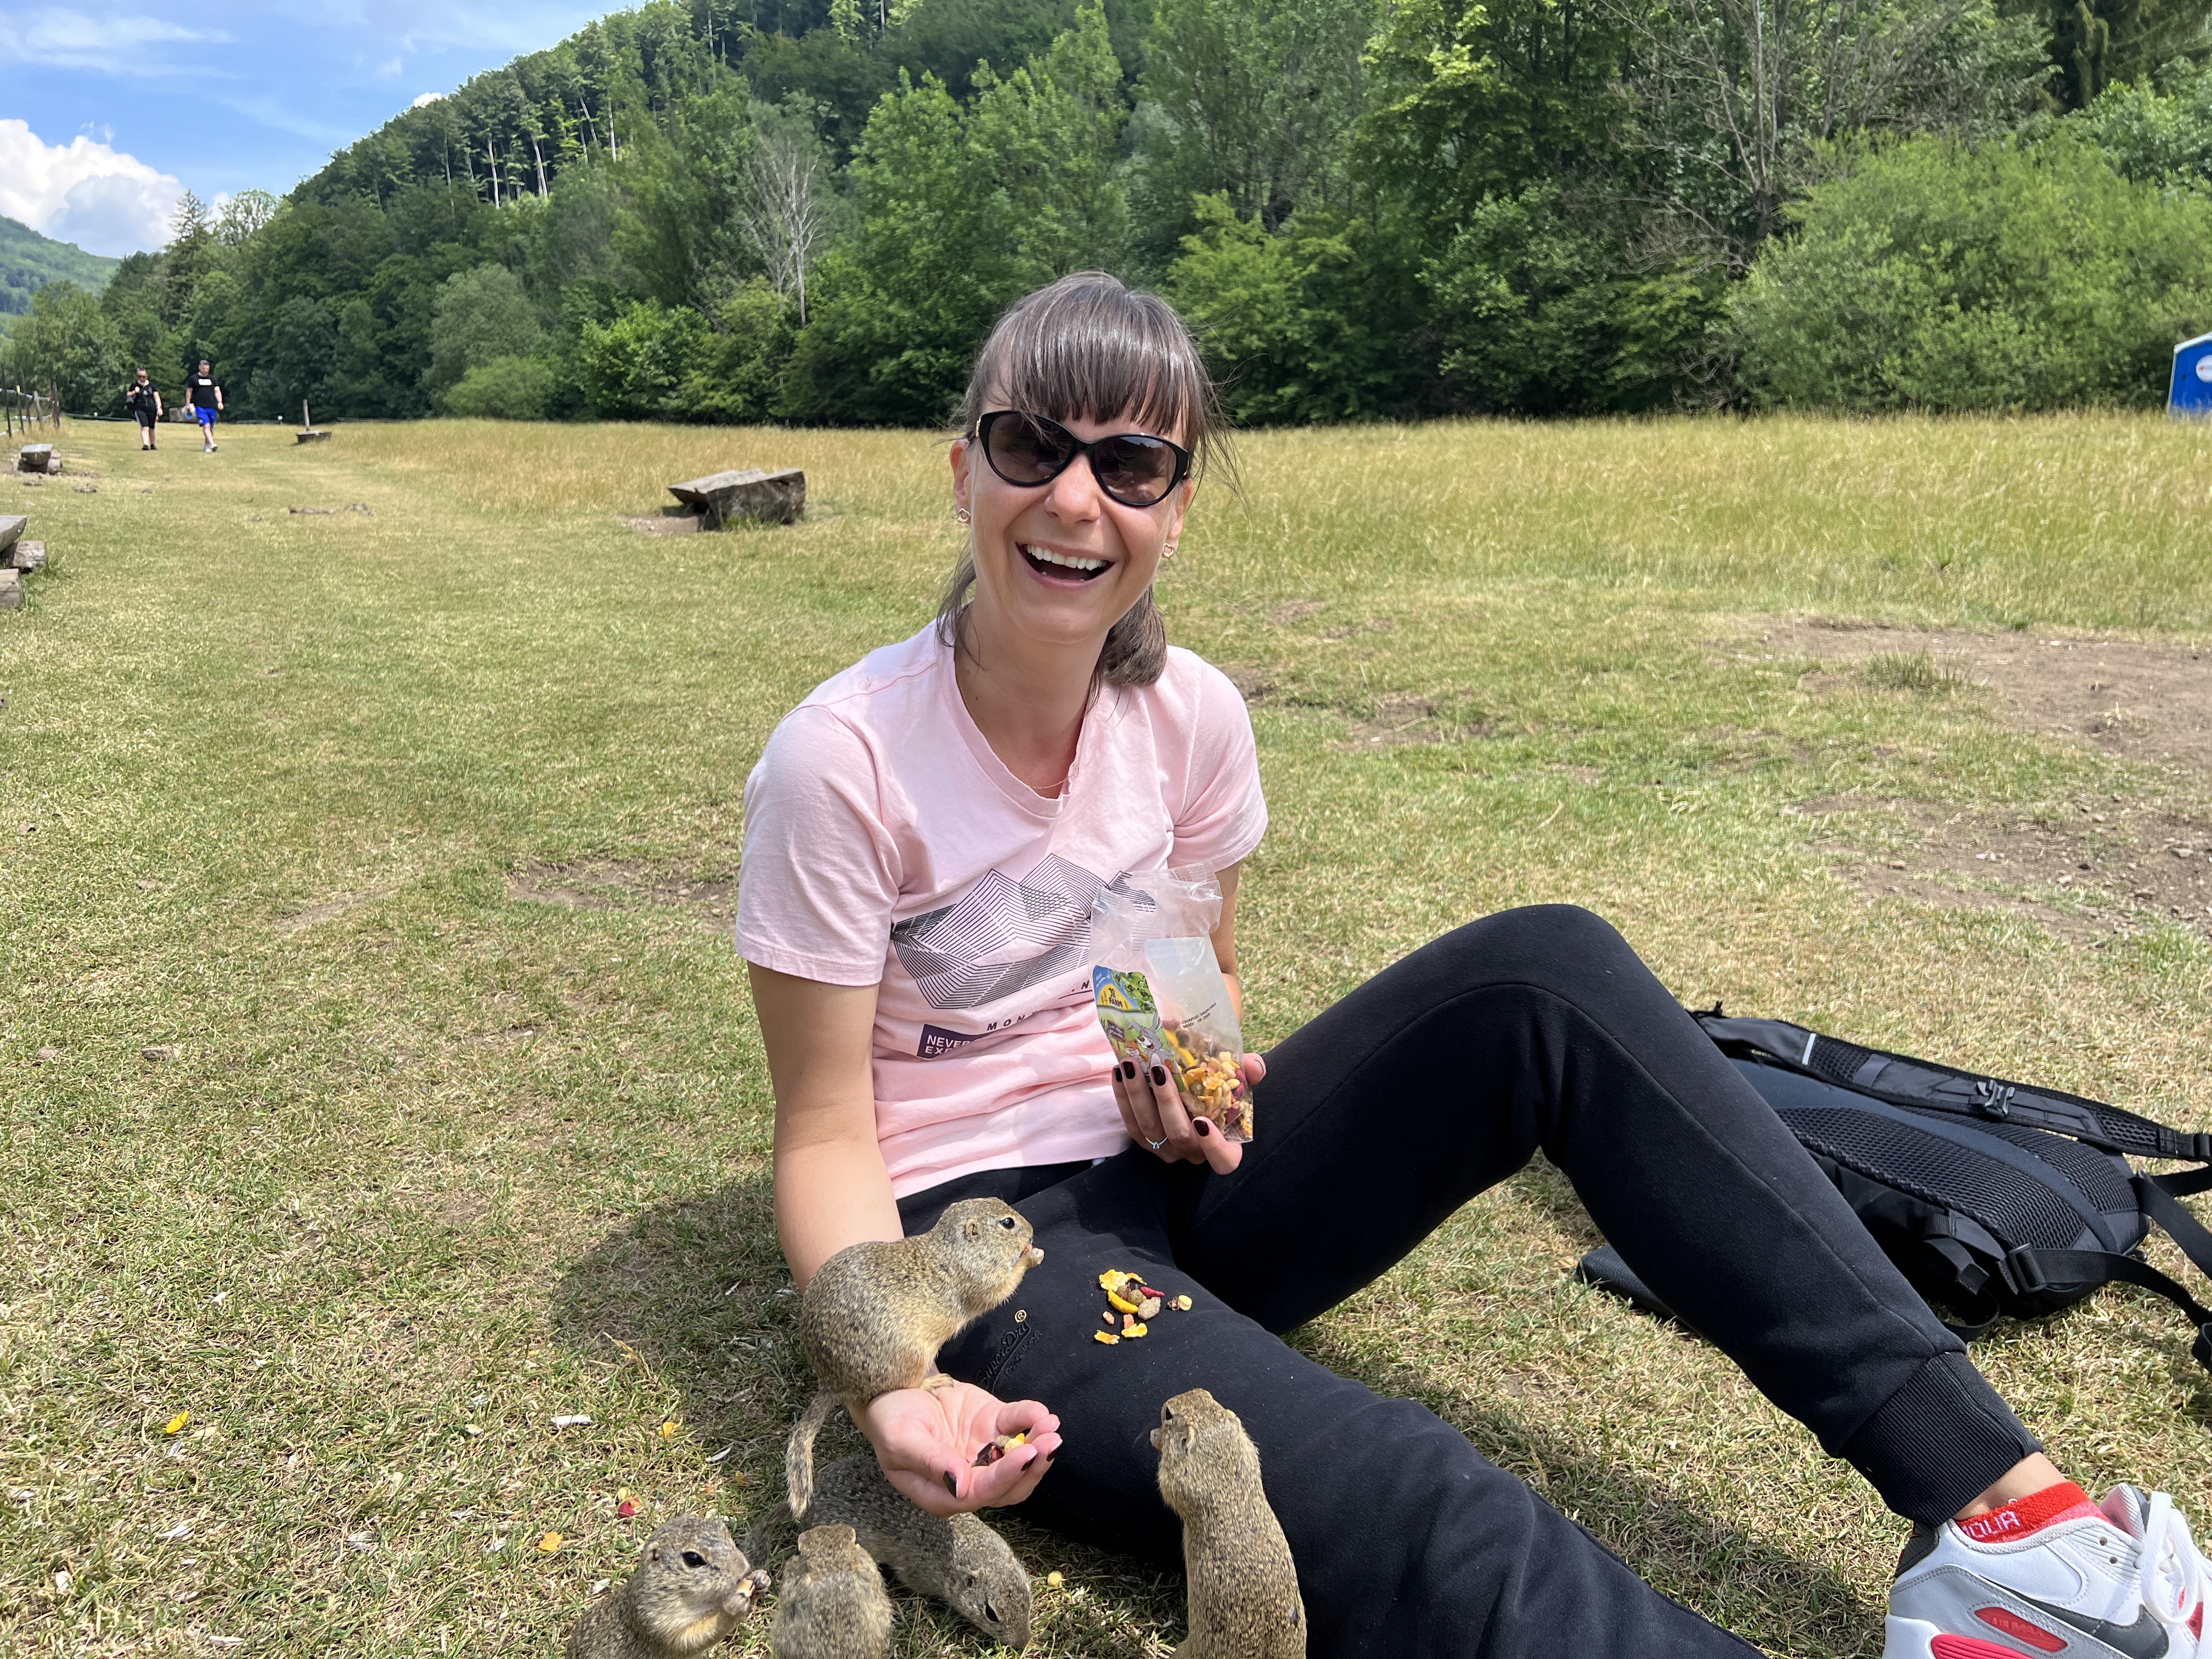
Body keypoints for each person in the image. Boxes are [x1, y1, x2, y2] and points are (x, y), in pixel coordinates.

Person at [735, 272, 2212, 1659]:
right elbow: (825, 1131)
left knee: (1544, 977)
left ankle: (2018, 1529)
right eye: (1029, 446)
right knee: (1410, 1482)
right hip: (981, 1251)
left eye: (1133, 464)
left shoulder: (1188, 716)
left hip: (1174, 1190)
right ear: (961, 471)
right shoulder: (845, 761)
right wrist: (897, 1384)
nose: (1074, 498)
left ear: (1177, 510)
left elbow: (1178, 974)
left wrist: (1181, 1081)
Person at [186, 359, 221, 452]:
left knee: (211, 428)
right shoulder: (194, 379)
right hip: (200, 407)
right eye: (204, 368)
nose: (206, 370)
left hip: (211, 406)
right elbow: (189, 392)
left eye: (207, 368)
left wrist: (220, 402)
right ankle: (213, 444)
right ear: (200, 367)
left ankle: (207, 446)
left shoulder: (212, 379)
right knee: (206, 426)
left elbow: (217, 391)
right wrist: (188, 404)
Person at [124, 368, 161, 449]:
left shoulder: (152, 386)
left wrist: (159, 408)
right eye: (140, 376)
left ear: (146, 376)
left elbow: (157, 397)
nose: (142, 378)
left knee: (152, 428)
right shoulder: (135, 385)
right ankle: (145, 445)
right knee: (145, 427)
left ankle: (153, 444)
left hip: (152, 409)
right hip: (140, 409)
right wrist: (135, 392)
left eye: (143, 377)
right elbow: (128, 394)